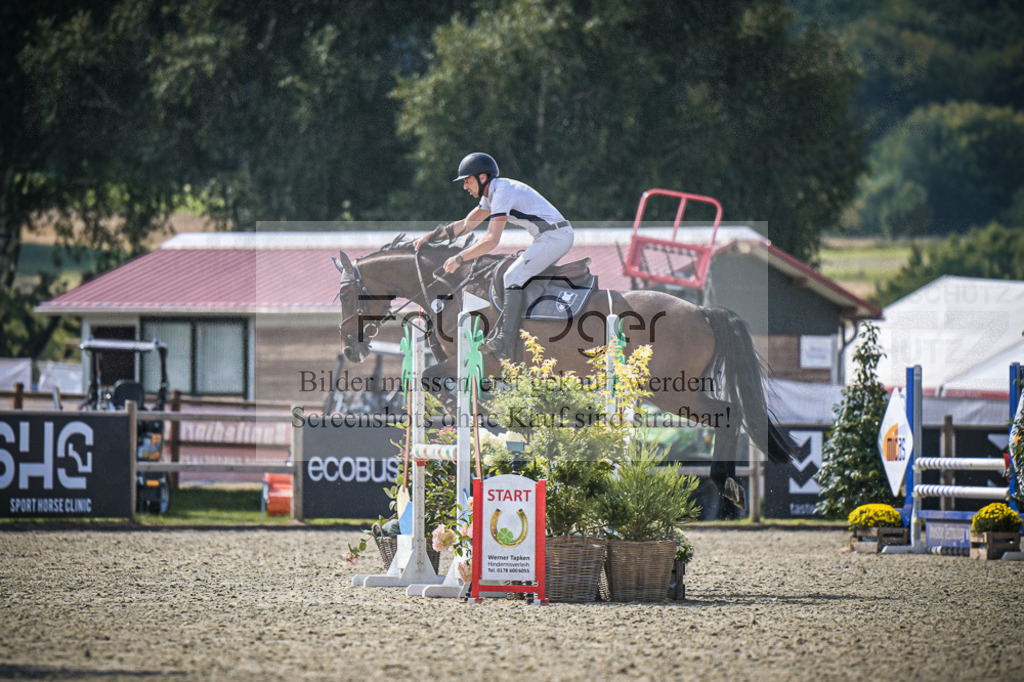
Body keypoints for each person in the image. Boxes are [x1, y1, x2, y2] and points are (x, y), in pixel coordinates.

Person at [413, 152, 574, 359]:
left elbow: (491, 239)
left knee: (512, 277)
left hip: (555, 238)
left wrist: (460, 258)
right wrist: (432, 237)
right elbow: (465, 225)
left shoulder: (502, 193)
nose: (465, 187)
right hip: (549, 237)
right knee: (511, 274)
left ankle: (506, 341)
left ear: (483, 178)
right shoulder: (493, 193)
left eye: (468, 181)